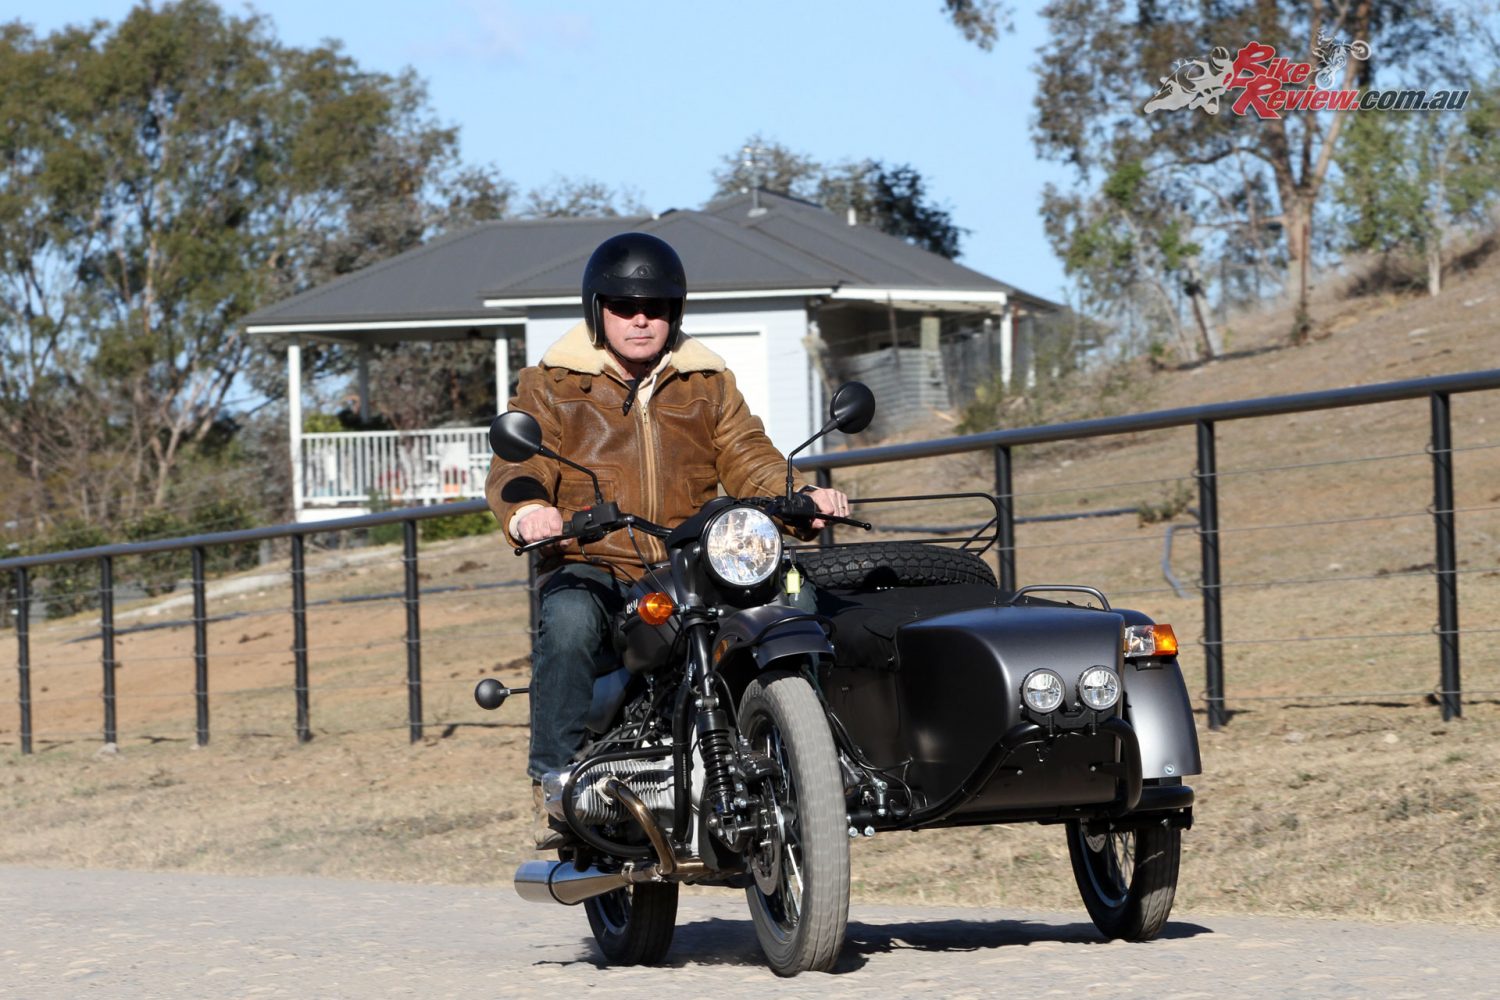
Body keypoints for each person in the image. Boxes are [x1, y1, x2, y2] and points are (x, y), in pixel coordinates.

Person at [485, 232, 848, 849]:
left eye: (656, 306)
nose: (641, 318)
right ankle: (557, 779)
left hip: (693, 560)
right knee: (569, 621)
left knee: (797, 599)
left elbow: (747, 455)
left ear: (675, 311)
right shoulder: (551, 384)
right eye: (625, 307)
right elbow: (516, 468)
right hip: (596, 559)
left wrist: (799, 496)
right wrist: (529, 510)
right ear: (596, 309)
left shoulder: (704, 382)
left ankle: (813, 754)